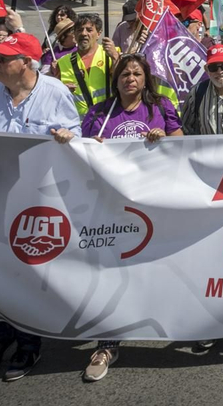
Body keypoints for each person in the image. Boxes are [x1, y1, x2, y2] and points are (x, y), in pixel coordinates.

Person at [49, 53, 181, 383]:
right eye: (124, 73)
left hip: (154, 203)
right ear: (116, 79)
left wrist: (165, 141)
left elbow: (183, 144)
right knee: (109, 273)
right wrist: (78, 143)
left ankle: (177, 322)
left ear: (146, 78)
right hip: (109, 208)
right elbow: (80, 153)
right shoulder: (98, 112)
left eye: (136, 73)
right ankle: (107, 344)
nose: (130, 79)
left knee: (159, 267)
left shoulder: (161, 107)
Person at [0, 32, 81, 381]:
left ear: (25, 63)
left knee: (27, 273)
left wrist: (67, 139)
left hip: (37, 203)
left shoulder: (55, 92)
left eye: (1, 58)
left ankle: (28, 343)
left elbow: (79, 143)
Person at [54, 13, 121, 116]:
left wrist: (115, 58)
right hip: (78, 125)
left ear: (99, 33)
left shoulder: (111, 54)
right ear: (74, 34)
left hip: (108, 119)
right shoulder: (63, 62)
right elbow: (55, 97)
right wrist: (62, 90)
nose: (84, 33)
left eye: (89, 30)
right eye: (79, 30)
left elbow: (123, 82)